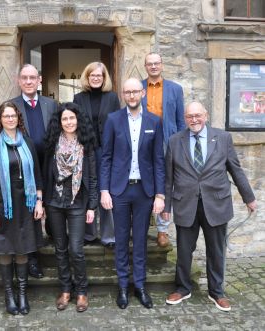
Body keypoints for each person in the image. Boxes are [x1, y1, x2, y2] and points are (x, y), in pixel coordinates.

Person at [162, 101, 257, 312]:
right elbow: (169, 179)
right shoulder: (175, 141)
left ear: (205, 115)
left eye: (197, 115)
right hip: (185, 204)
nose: (194, 119)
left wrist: (248, 197)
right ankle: (183, 288)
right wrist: (166, 207)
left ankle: (217, 292)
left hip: (216, 203)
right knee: (184, 251)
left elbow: (236, 170)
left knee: (216, 250)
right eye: (189, 116)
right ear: (185, 118)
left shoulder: (223, 138)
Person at [101, 78, 165, 309]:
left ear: (142, 93)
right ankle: (123, 286)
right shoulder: (113, 120)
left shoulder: (154, 121)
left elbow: (159, 160)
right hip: (119, 190)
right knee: (120, 240)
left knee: (140, 240)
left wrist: (160, 195)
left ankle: (139, 285)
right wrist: (104, 190)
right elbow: (106, 157)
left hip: (144, 191)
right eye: (127, 92)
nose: (131, 96)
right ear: (123, 95)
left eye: (135, 91)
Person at [0, 101, 44, 315]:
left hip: (25, 204)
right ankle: (9, 295)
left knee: (23, 248)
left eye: (13, 116)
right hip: (3, 205)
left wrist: (38, 201)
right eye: (6, 116)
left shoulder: (28, 142)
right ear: (0, 120)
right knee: (6, 249)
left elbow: (37, 175)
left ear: (18, 118)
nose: (10, 119)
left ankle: (22, 295)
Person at [43, 102, 97, 312]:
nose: (68, 122)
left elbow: (92, 177)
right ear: (60, 121)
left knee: (76, 249)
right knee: (60, 248)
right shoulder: (52, 143)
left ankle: (81, 291)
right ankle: (66, 289)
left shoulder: (86, 144)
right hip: (55, 202)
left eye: (72, 118)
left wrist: (92, 206)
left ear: (78, 120)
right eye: (64, 119)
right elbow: (45, 174)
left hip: (78, 202)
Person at [11, 63, 58, 278]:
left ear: (39, 80)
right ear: (19, 81)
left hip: (50, 165)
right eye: (24, 78)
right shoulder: (11, 106)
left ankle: (56, 244)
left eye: (32, 78)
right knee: (30, 213)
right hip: (25, 169)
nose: (29, 82)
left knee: (52, 206)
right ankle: (33, 259)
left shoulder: (52, 104)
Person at [73, 62, 120, 248]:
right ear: (87, 76)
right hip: (84, 151)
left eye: (99, 75)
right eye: (92, 75)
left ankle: (109, 236)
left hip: (107, 151)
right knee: (87, 189)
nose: (95, 78)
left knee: (106, 191)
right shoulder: (78, 98)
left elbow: (118, 126)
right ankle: (89, 234)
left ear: (104, 78)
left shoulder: (112, 98)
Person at [142, 52, 185, 247]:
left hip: (167, 141)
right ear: (145, 67)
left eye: (156, 63)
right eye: (149, 64)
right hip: (143, 141)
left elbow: (180, 120)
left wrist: (180, 144)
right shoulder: (139, 87)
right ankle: (141, 225)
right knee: (142, 180)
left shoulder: (175, 89)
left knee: (167, 182)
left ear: (162, 65)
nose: (153, 66)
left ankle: (162, 229)